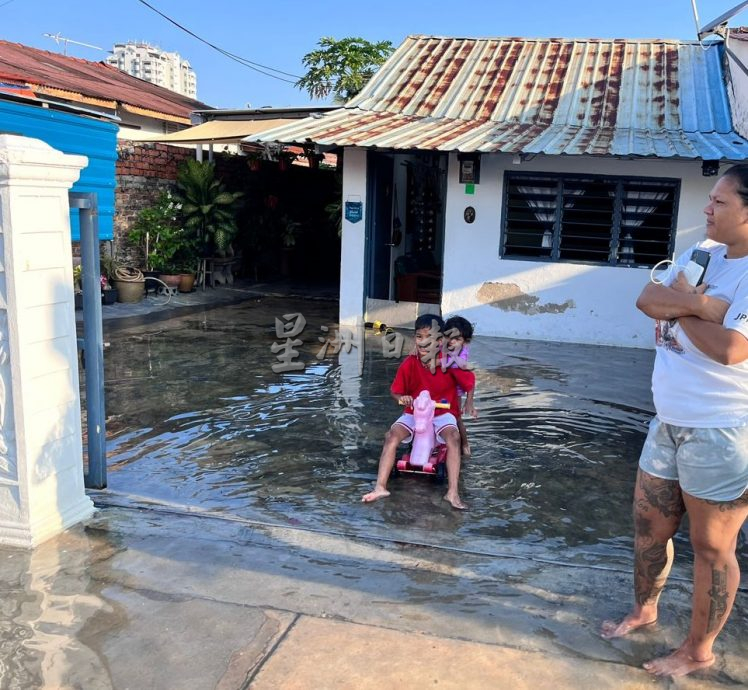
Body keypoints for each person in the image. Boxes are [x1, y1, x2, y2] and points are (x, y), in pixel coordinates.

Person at [600, 164, 748, 678]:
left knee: (711, 549)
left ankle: (697, 651)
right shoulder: (700, 254)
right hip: (667, 421)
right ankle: (645, 610)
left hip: (722, 429)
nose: (707, 209)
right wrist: (705, 307)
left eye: (720, 202)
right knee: (648, 528)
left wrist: (679, 308)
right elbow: (646, 299)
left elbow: (731, 349)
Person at [361, 313, 476, 510]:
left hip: (441, 413)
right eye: (418, 337)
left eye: (429, 338)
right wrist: (402, 398)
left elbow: (469, 381)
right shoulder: (410, 362)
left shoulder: (450, 362)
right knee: (391, 436)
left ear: (440, 340)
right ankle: (380, 487)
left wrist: (468, 403)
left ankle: (452, 492)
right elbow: (396, 391)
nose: (423, 343)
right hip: (415, 412)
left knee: (453, 438)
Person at [444, 315, 478, 456]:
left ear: (465, 342)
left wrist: (441, 361)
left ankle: (465, 445)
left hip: (456, 390)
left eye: (457, 339)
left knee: (456, 417)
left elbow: (462, 365)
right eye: (449, 337)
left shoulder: (462, 353)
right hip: (443, 386)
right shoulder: (444, 345)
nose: (452, 342)